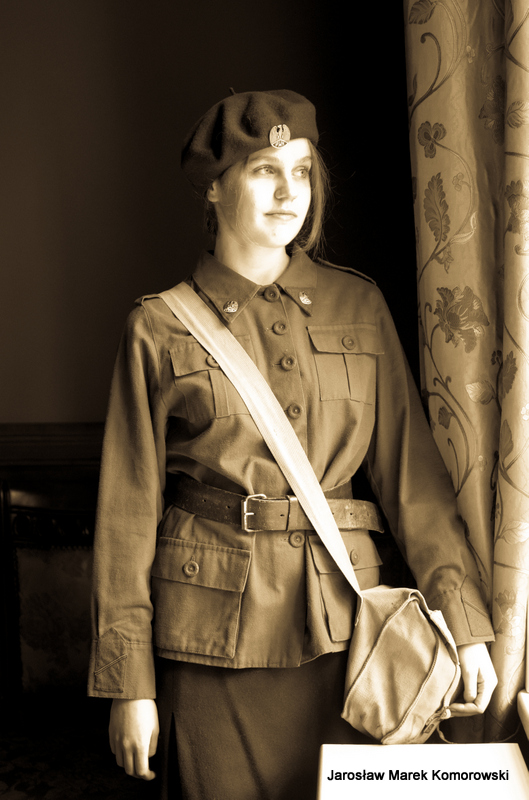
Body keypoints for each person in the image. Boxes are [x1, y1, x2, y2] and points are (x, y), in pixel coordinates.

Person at [88, 90, 497, 799]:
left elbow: (416, 485)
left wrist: (464, 626)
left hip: (352, 633)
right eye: (264, 171)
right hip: (211, 640)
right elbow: (125, 520)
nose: (289, 193)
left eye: (302, 172)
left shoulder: (358, 305)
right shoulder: (157, 327)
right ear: (213, 188)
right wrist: (131, 685)